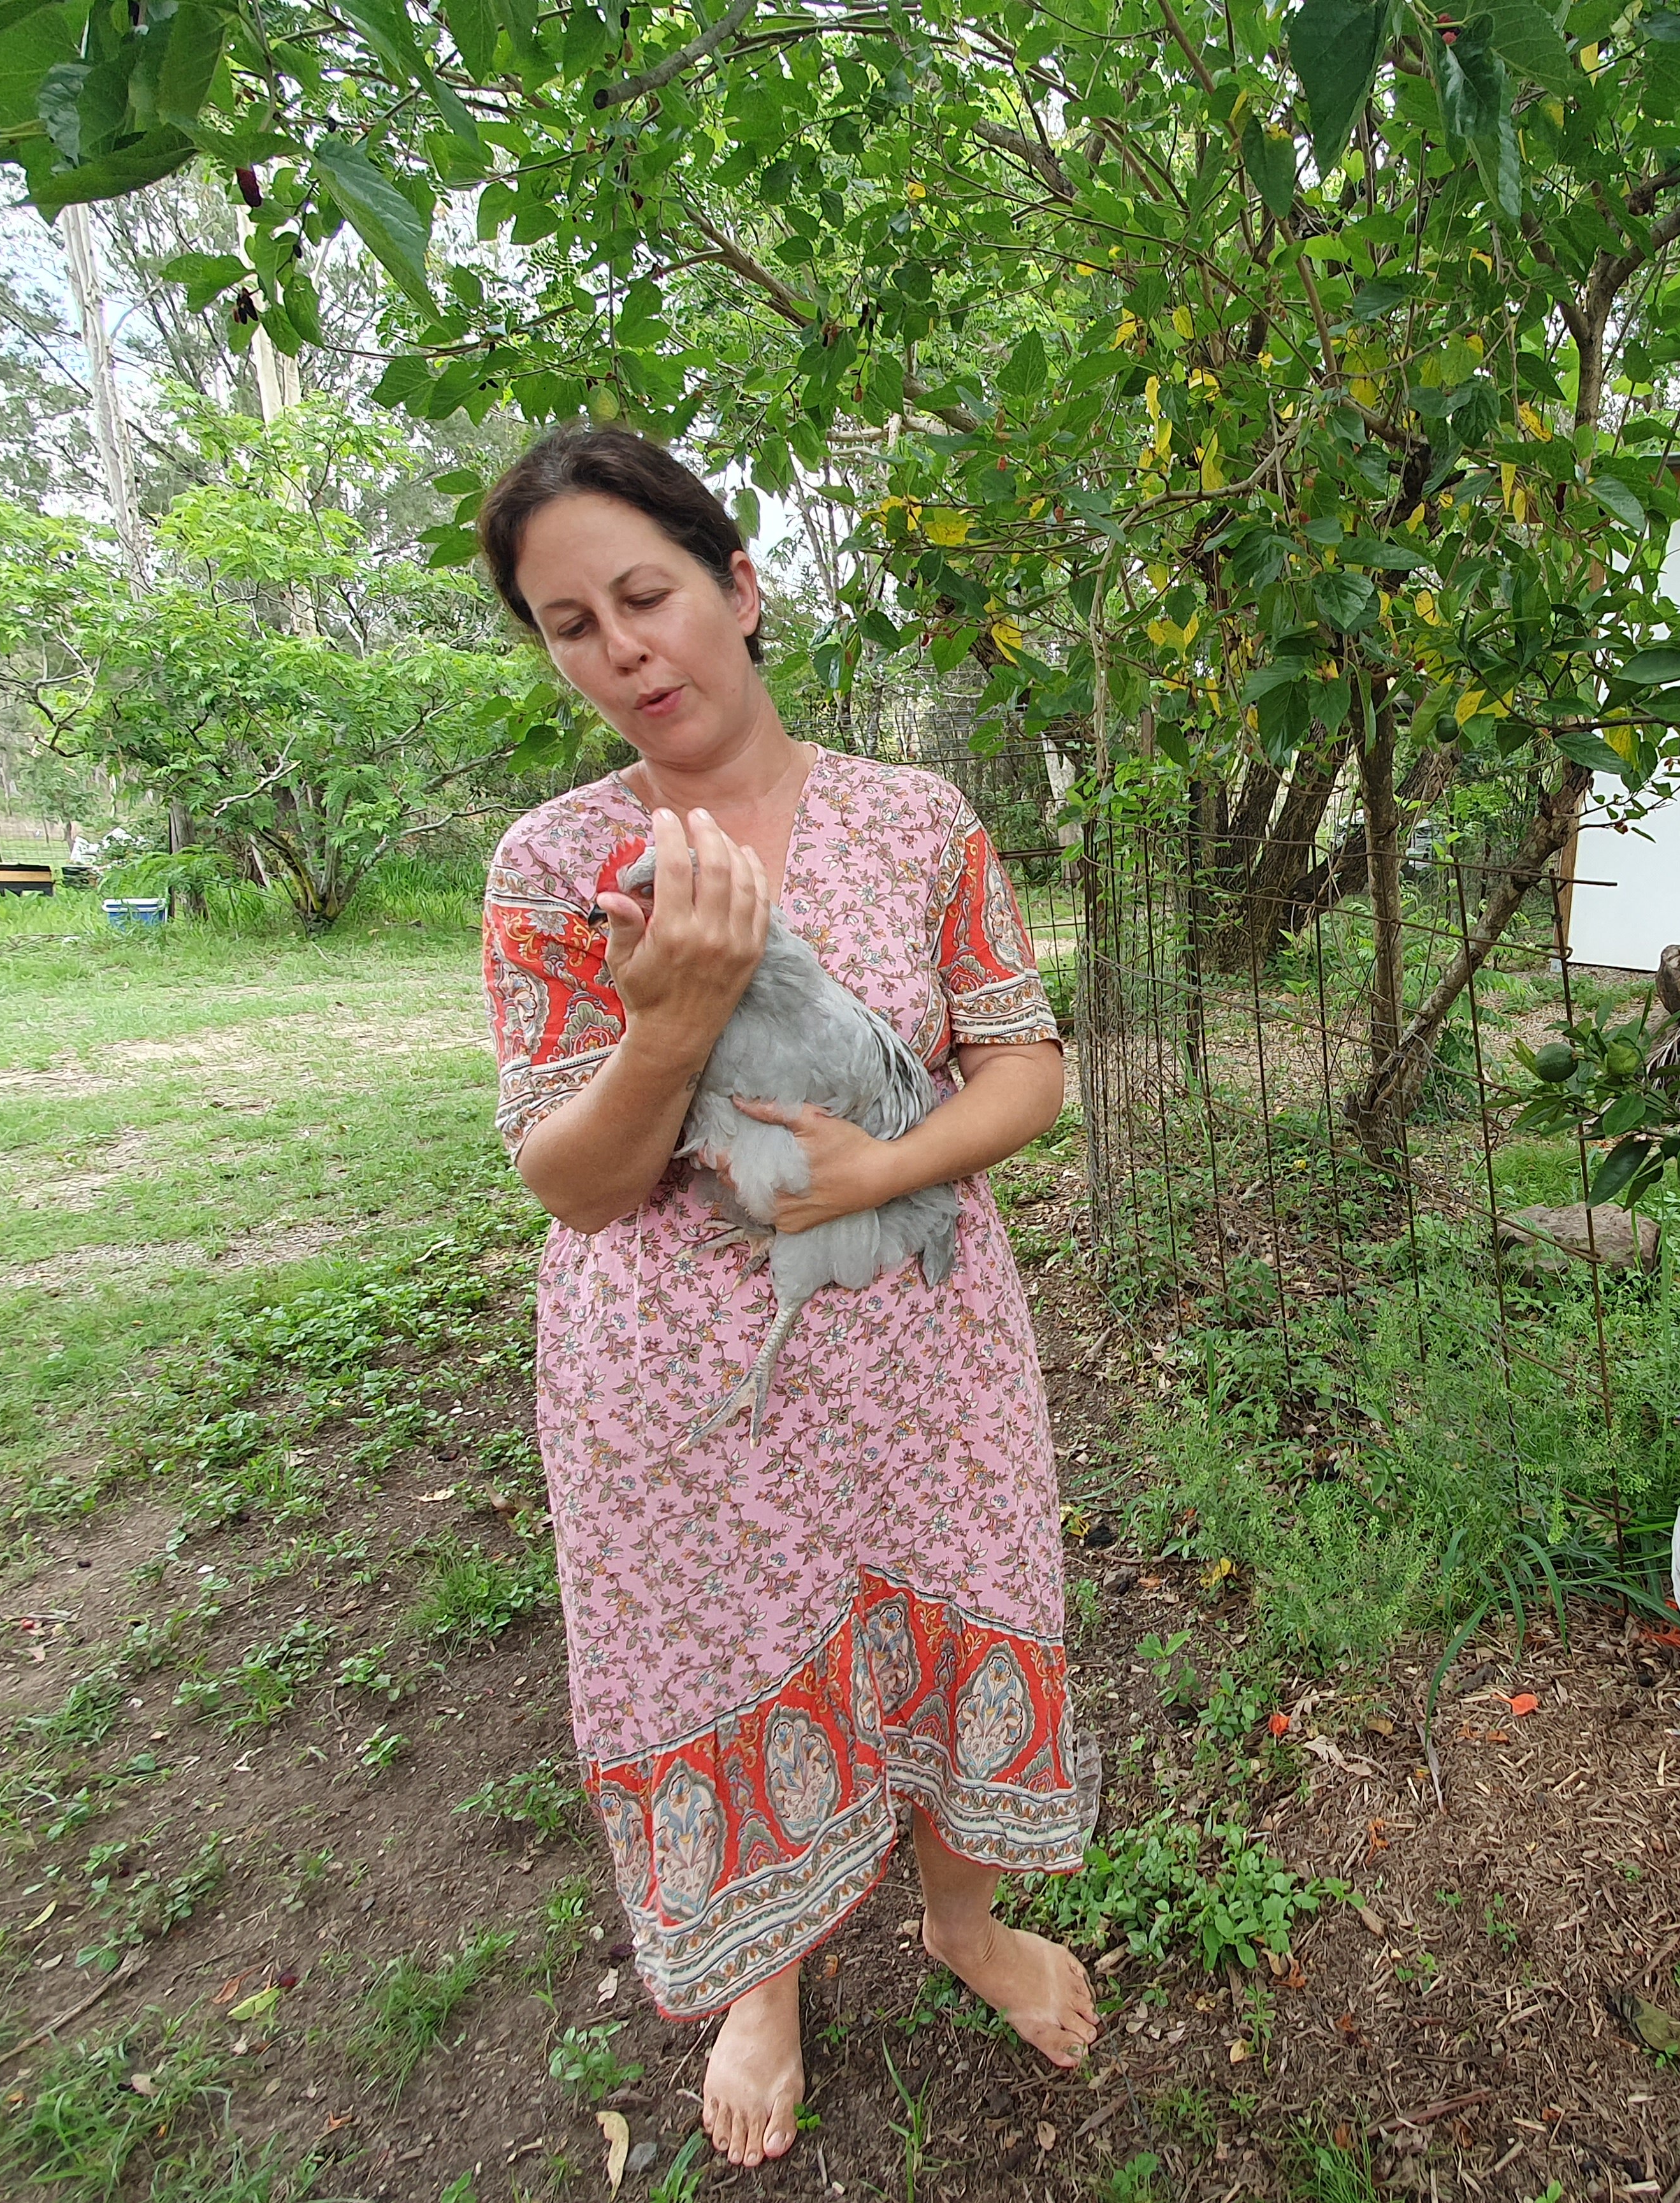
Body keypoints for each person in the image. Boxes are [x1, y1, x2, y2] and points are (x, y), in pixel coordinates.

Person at [475, 426, 1097, 2169]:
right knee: (735, 1662)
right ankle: (768, 1974)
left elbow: (1024, 1066)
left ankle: (964, 1923)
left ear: (740, 592)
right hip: (686, 1389)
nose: (622, 649)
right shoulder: (555, 868)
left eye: (649, 595)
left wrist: (875, 1172)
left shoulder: (917, 822)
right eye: (569, 623)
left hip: (922, 1356)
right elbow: (580, 1185)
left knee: (960, 1610)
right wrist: (674, 1011)